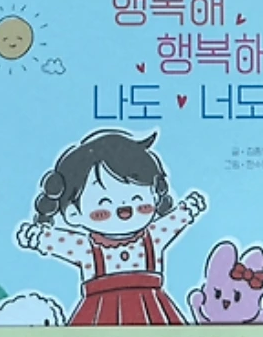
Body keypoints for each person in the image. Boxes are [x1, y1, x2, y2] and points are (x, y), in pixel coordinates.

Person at [16, 130, 205, 325]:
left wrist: (189, 208)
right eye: (104, 203)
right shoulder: (87, 248)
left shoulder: (153, 238)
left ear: (155, 197)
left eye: (137, 199)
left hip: (153, 311)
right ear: (73, 213)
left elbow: (175, 220)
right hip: (99, 314)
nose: (125, 210)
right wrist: (36, 236)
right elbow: (56, 241)